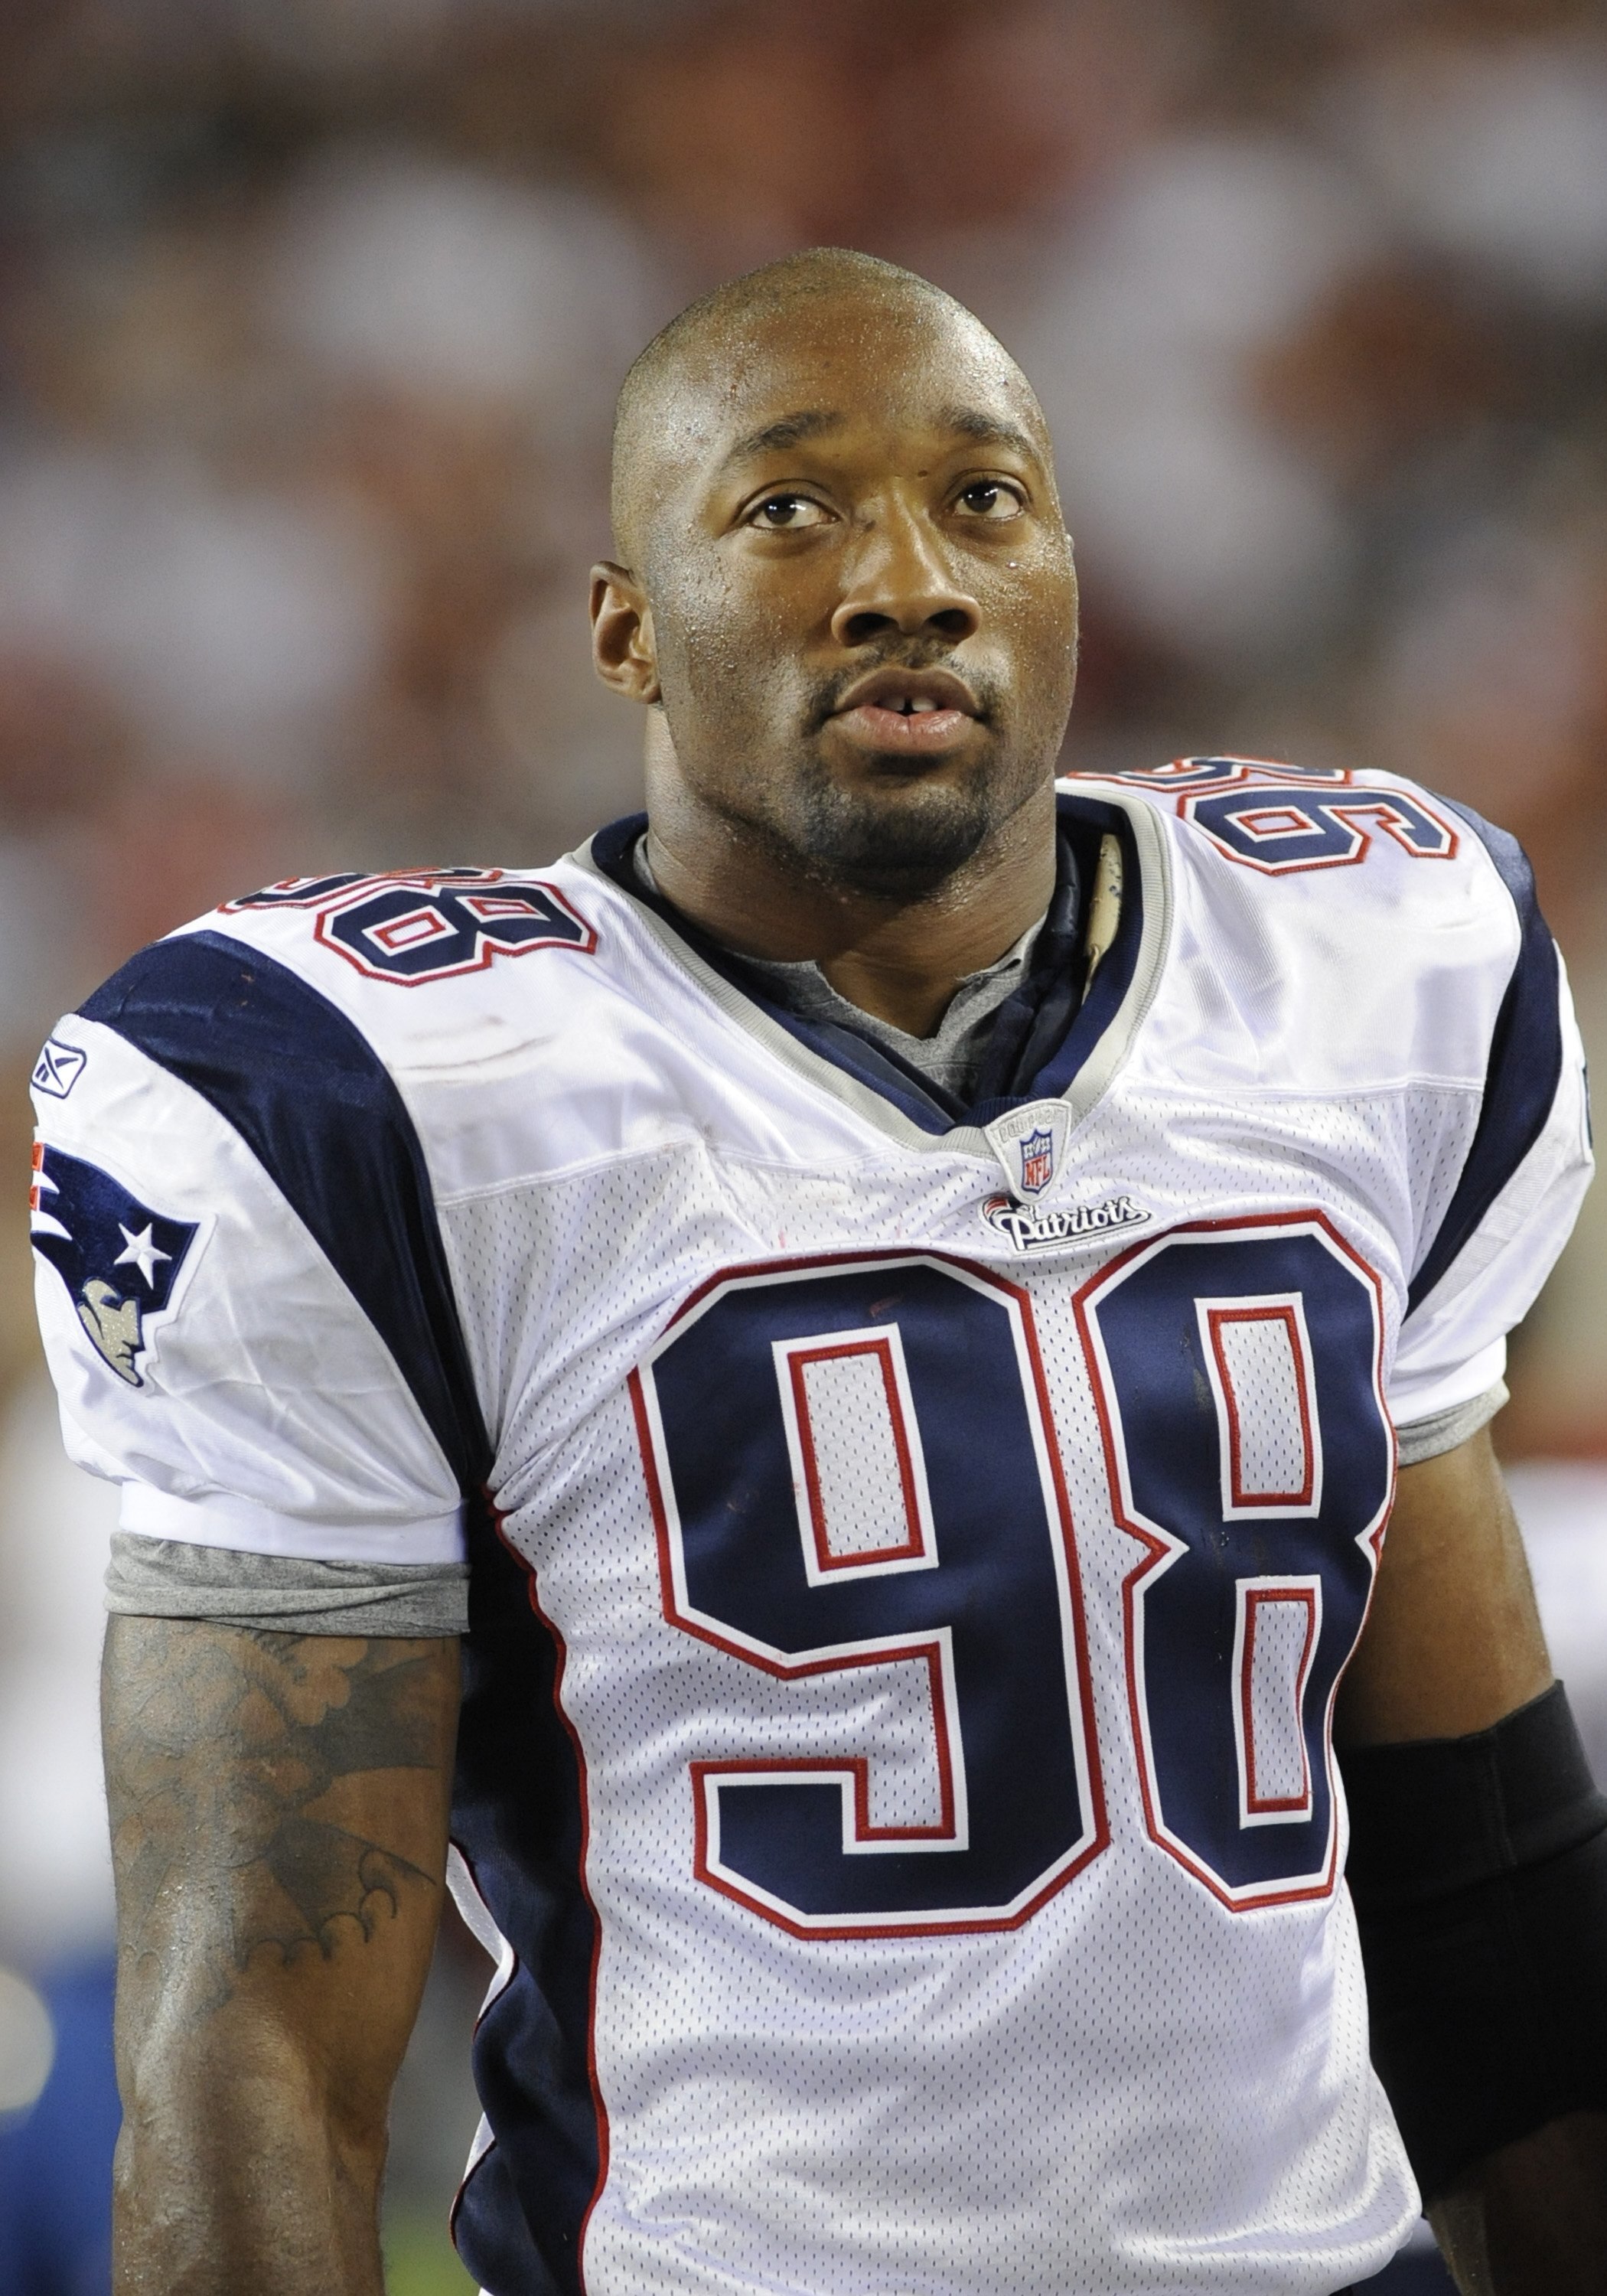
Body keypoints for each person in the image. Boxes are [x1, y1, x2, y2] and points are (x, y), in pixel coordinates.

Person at [28, 249, 1607, 2296]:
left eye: (982, 499)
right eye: (787, 508)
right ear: (623, 630)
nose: (905, 578)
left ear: (1058, 574)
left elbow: (1474, 1860)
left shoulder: (1357, 978)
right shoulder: (377, 1103)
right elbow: (249, 2039)